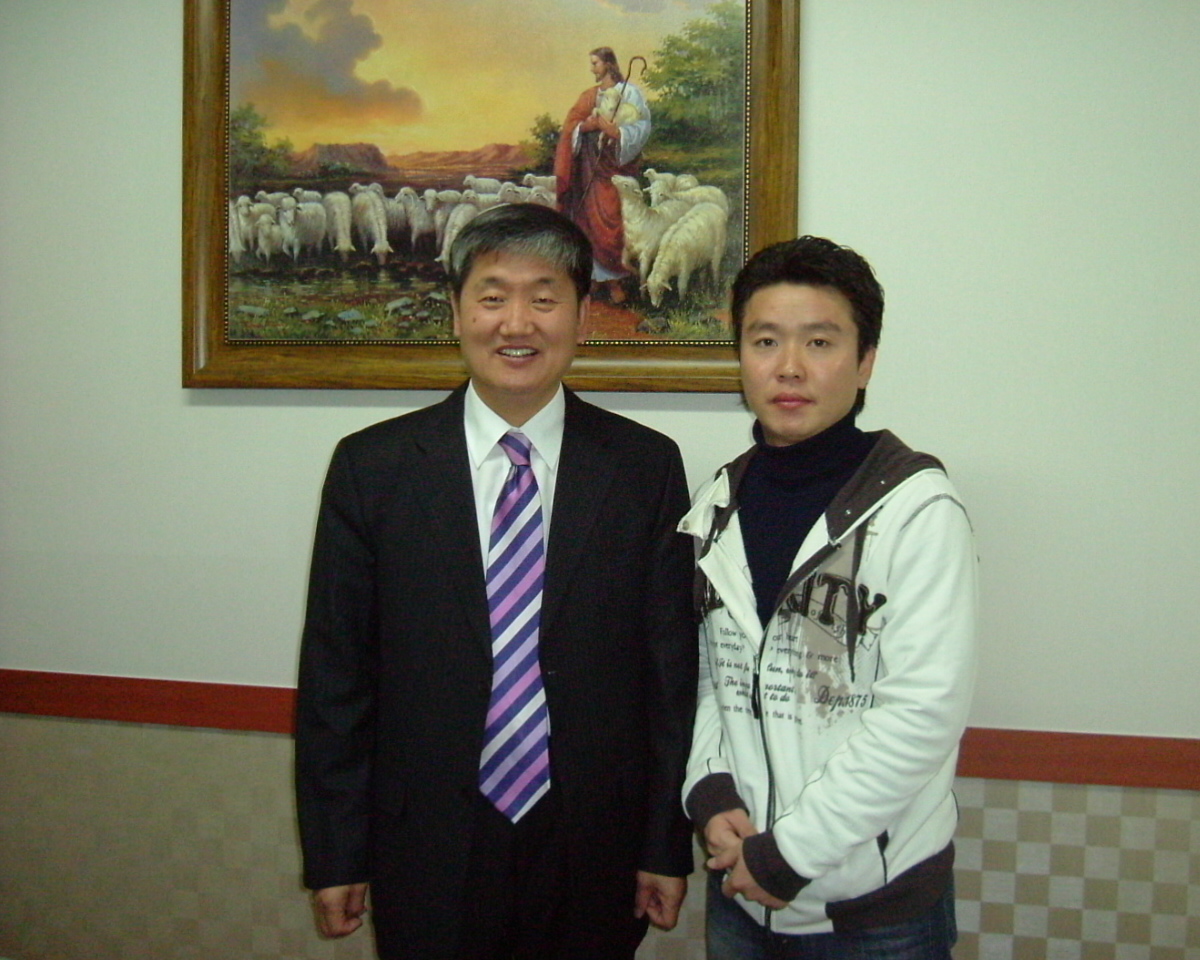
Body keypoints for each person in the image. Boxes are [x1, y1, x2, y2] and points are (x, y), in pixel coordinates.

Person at [294, 203, 697, 960]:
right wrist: (337, 853)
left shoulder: (645, 468)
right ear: (455, 313)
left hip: (595, 844)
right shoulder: (372, 469)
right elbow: (335, 679)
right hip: (425, 841)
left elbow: (670, 677)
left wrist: (664, 843)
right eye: (492, 297)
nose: (517, 323)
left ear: (582, 316)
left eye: (544, 298)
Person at [677, 237, 978, 959]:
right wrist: (710, 791)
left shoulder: (917, 510)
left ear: (865, 360)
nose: (789, 367)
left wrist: (791, 853)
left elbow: (922, 712)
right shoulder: (717, 504)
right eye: (765, 341)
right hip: (741, 895)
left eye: (820, 342)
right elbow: (714, 676)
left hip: (875, 917)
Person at [555, 46, 651, 304]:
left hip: (613, 170)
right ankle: (594, 280)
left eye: (595, 63)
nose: (592, 68)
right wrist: (588, 126)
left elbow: (643, 126)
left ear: (608, 64)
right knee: (586, 222)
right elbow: (570, 128)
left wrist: (615, 132)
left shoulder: (630, 93)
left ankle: (615, 280)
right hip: (587, 172)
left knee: (613, 220)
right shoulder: (589, 96)